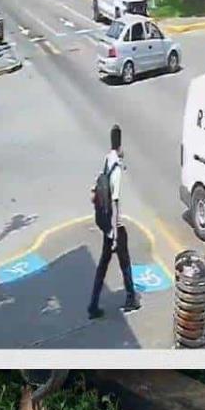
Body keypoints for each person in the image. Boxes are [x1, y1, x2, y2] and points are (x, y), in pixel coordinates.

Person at [88, 124, 141, 319]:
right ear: (120, 144)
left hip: (105, 224)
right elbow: (116, 200)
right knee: (124, 260)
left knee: (103, 265)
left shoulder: (108, 158)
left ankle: (93, 304)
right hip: (115, 227)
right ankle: (130, 298)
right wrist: (117, 234)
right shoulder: (117, 169)